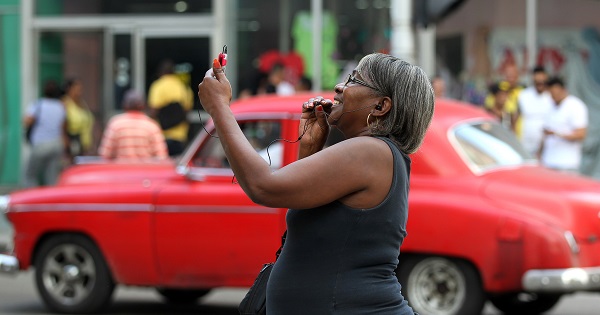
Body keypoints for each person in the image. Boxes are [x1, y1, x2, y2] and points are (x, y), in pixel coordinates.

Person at [198, 53, 434, 314]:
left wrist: (219, 107)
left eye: (354, 80)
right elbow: (314, 234)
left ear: (380, 107)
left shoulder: (371, 152)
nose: (339, 87)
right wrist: (310, 148)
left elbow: (263, 186)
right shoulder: (375, 155)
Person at [98, 90, 168, 161]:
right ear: (143, 106)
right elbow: (161, 157)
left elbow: (104, 155)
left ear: (124, 105)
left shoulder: (115, 124)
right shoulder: (152, 126)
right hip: (145, 171)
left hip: (120, 170)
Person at [23, 80, 68, 187]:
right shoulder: (61, 106)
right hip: (56, 144)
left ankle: (31, 199)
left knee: (30, 175)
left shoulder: (38, 105)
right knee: (52, 177)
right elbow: (64, 127)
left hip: (41, 144)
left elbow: (27, 121)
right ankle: (52, 201)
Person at [539, 76, 588, 172]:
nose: (553, 97)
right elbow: (545, 134)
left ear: (563, 90)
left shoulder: (575, 106)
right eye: (551, 94)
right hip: (548, 161)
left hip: (567, 164)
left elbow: (581, 134)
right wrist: (539, 153)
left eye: (555, 94)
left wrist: (557, 134)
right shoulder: (549, 106)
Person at [148, 59, 193, 157]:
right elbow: (186, 111)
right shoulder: (183, 87)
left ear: (161, 73)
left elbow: (153, 111)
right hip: (180, 136)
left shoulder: (158, 86)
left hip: (161, 136)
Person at [517, 66, 553, 156]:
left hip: (547, 143)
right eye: (537, 82)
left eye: (542, 82)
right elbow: (516, 116)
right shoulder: (524, 95)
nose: (540, 84)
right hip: (526, 141)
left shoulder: (551, 96)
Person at [62, 78, 95, 158]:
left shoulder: (82, 103)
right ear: (69, 89)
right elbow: (62, 123)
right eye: (76, 89)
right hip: (72, 142)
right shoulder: (65, 103)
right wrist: (66, 141)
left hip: (84, 144)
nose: (79, 92)